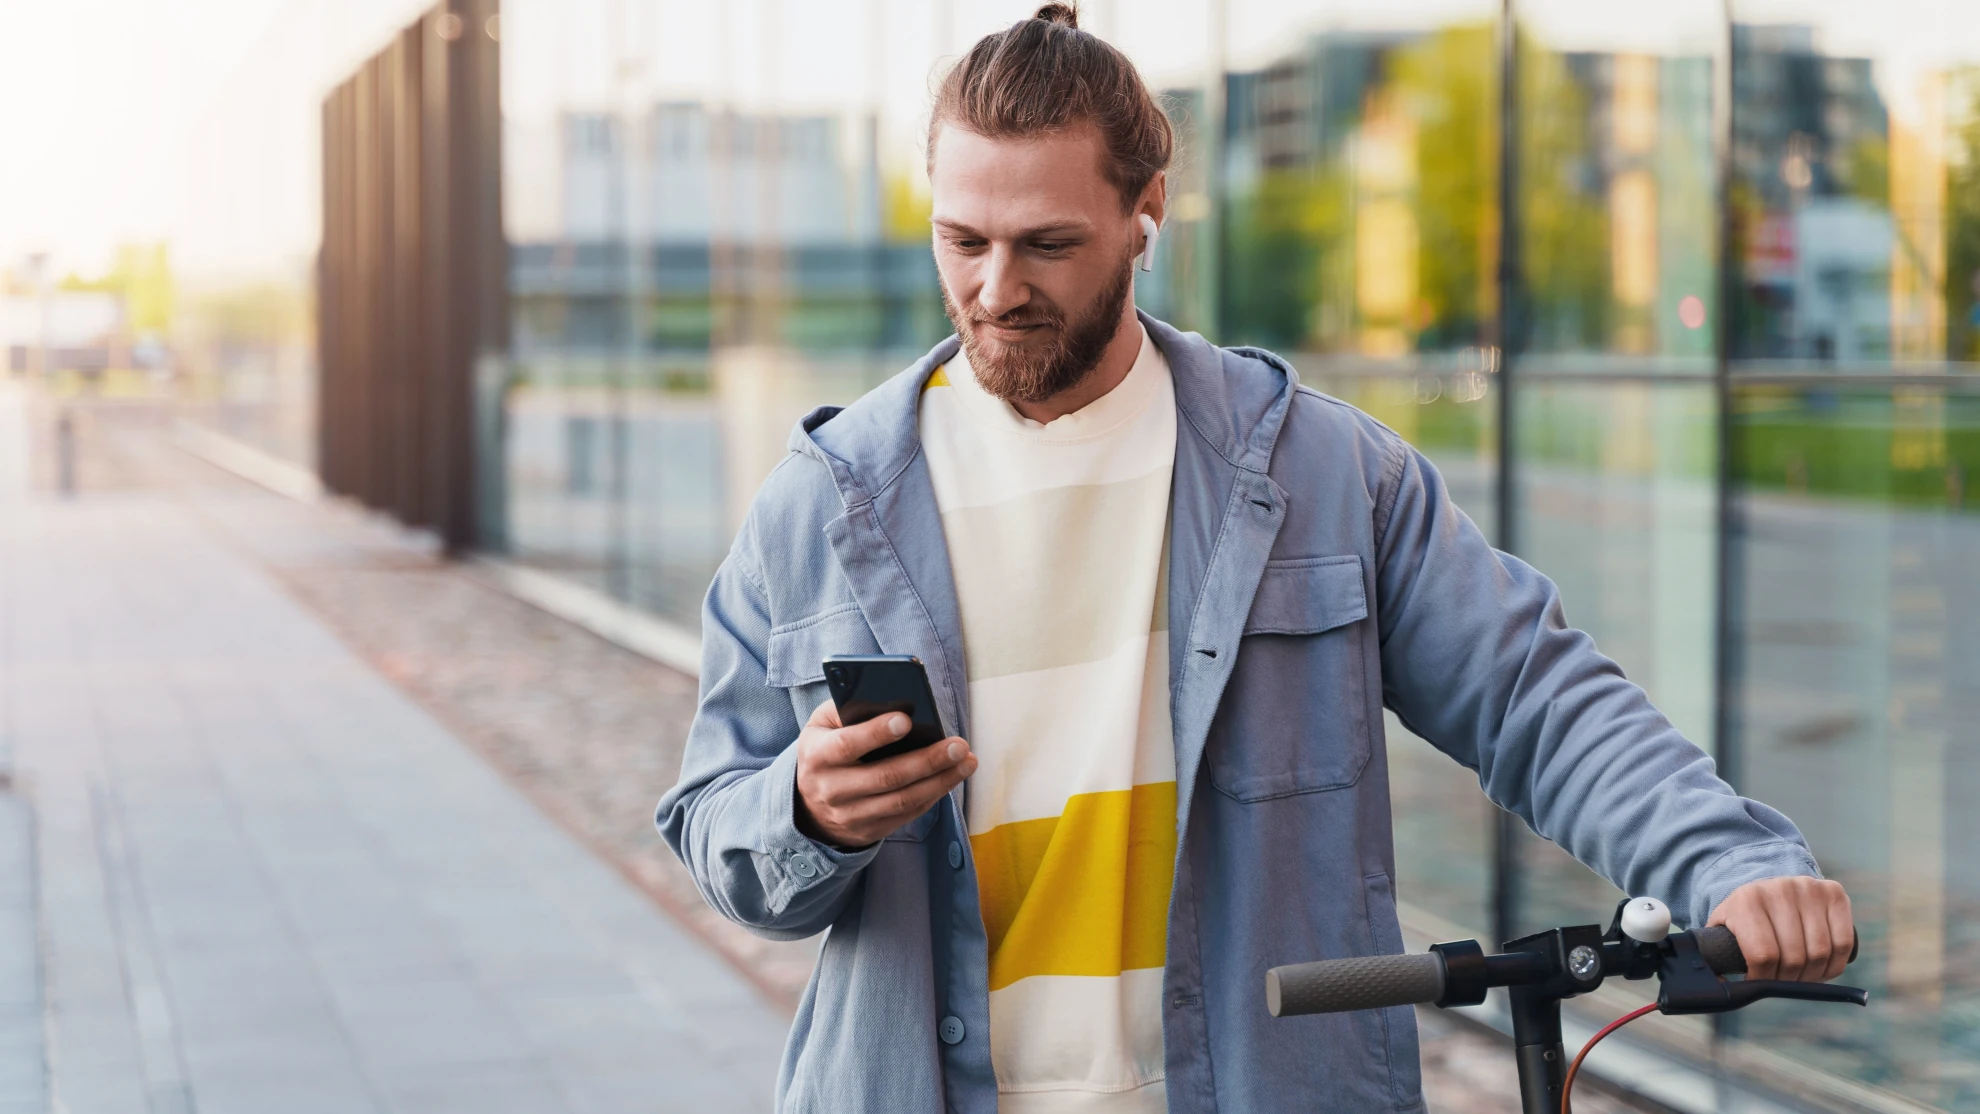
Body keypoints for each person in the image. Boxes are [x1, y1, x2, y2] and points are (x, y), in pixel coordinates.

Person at [657, 6, 1854, 1112]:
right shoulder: (821, 506)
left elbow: (1535, 695)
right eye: (960, 238)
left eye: (1046, 243)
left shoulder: (1324, 474)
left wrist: (1726, 860)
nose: (994, 288)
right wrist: (808, 809)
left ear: (1147, 211)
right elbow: (720, 830)